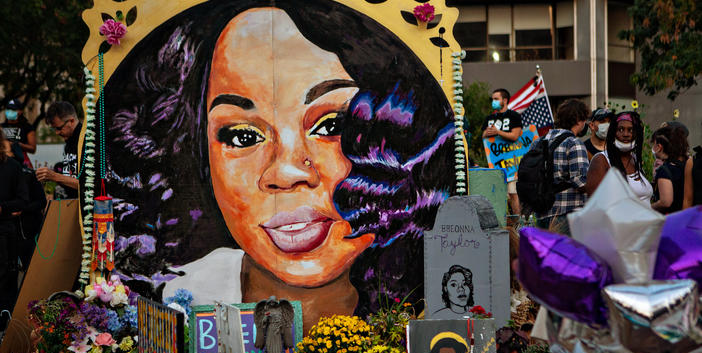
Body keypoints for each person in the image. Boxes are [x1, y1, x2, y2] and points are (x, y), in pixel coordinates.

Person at [102, 2, 456, 331]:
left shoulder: (432, 306)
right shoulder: (180, 303)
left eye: (332, 126)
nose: (286, 173)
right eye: (242, 136)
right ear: (199, 155)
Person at [533, 99, 589, 235]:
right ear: (578, 120)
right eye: (584, 119)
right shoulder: (574, 143)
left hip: (542, 213)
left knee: (548, 255)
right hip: (567, 212)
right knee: (567, 255)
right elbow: (581, 182)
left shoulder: (538, 142)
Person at [585, 112, 652, 206]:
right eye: (620, 129)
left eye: (631, 130)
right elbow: (595, 204)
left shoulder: (635, 159)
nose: (626, 134)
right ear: (613, 133)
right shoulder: (601, 160)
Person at [0, 131, 29, 324]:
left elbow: (23, 200)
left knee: (5, 278)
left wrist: (4, 208)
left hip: (4, 232)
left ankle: (5, 320)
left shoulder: (12, 167)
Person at [482, 88, 523, 215]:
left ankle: (517, 224)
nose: (493, 102)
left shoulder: (514, 116)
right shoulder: (489, 118)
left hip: (511, 163)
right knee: (499, 195)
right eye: (492, 99)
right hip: (496, 162)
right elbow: (483, 137)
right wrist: (486, 133)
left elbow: (515, 136)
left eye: (496, 99)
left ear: (504, 100)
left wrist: (498, 132)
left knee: (513, 194)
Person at [37, 102, 81, 199]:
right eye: (54, 129)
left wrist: (55, 176)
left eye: (59, 128)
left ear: (71, 121)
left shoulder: (88, 141)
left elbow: (90, 186)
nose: (57, 133)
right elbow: (70, 178)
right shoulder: (69, 142)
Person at [651, 125, 688, 213]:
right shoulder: (687, 164)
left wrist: (649, 207)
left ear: (659, 147)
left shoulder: (664, 170)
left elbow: (665, 202)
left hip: (671, 220)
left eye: (654, 144)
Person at [2, 99, 36, 168]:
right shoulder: (1, 127)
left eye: (13, 109)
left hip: (21, 160)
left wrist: (17, 145)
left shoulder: (27, 127)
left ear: (20, 111)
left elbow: (33, 149)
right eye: (8, 109)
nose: (10, 111)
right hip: (4, 159)